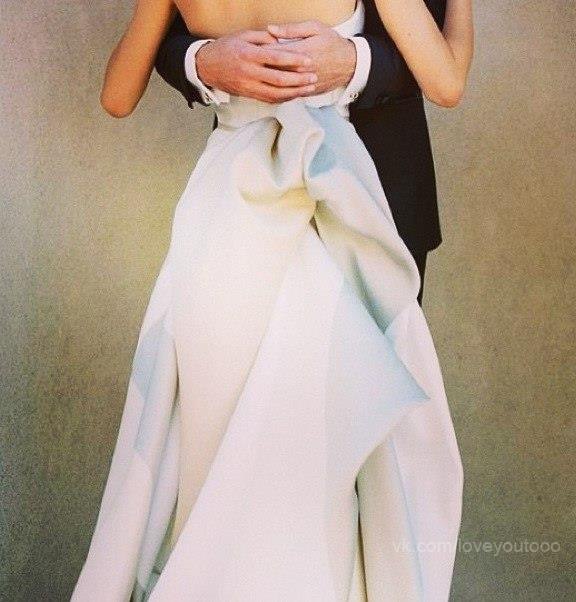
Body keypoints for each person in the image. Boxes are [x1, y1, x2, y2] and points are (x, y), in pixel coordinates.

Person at [72, 1, 472, 600]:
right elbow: (447, 80)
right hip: (345, 211)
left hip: (228, 221)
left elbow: (116, 96)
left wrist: (207, 54)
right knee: (342, 461)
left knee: (218, 451)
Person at [153, 0, 456, 306]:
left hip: (386, 183)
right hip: (262, 175)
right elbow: (168, 38)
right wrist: (198, 61)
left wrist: (356, 60)